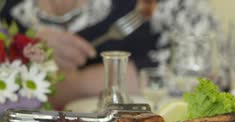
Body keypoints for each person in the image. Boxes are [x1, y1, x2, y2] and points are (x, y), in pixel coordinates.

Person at [0, 0, 218, 108]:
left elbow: (208, 74)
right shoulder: (12, 12)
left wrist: (78, 83)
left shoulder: (166, 4)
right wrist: (23, 47)